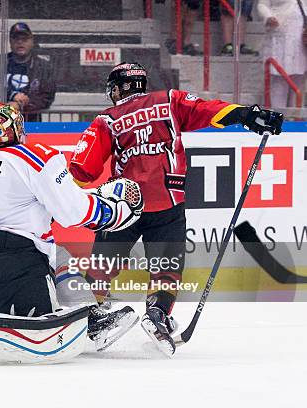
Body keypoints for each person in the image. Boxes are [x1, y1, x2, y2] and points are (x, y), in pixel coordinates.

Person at [69, 62, 284, 356]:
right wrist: (249, 115)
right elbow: (213, 111)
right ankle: (157, 312)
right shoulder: (169, 101)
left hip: (124, 205)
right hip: (167, 200)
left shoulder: (107, 120)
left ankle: (92, 313)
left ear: (118, 88)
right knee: (167, 266)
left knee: (103, 264)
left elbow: (82, 171)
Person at [0, 103, 143, 366]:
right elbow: (72, 212)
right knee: (41, 331)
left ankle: (91, 318)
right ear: (17, 128)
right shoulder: (36, 157)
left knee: (60, 257)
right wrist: (112, 213)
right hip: (18, 263)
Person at [0, 22, 56, 121]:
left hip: (31, 124)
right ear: (10, 42)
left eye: (24, 39)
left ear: (32, 42)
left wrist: (20, 105)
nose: (20, 42)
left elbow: (47, 97)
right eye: (16, 39)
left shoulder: (43, 67)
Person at [257, 0, 307, 108]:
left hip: (301, 35)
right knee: (279, 81)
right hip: (279, 33)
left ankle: (295, 120)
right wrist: (268, 16)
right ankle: (278, 119)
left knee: (299, 80)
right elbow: (262, 4)